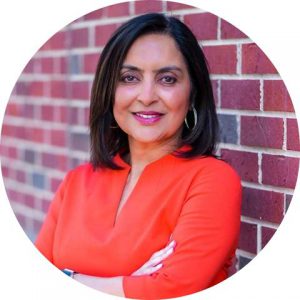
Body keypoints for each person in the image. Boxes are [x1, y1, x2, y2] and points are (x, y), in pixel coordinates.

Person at [35, 13, 242, 299]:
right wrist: (128, 285)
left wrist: (68, 277)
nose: (146, 96)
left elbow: (172, 289)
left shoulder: (212, 180)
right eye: (129, 77)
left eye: (167, 79)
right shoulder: (76, 182)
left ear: (193, 93)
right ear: (110, 90)